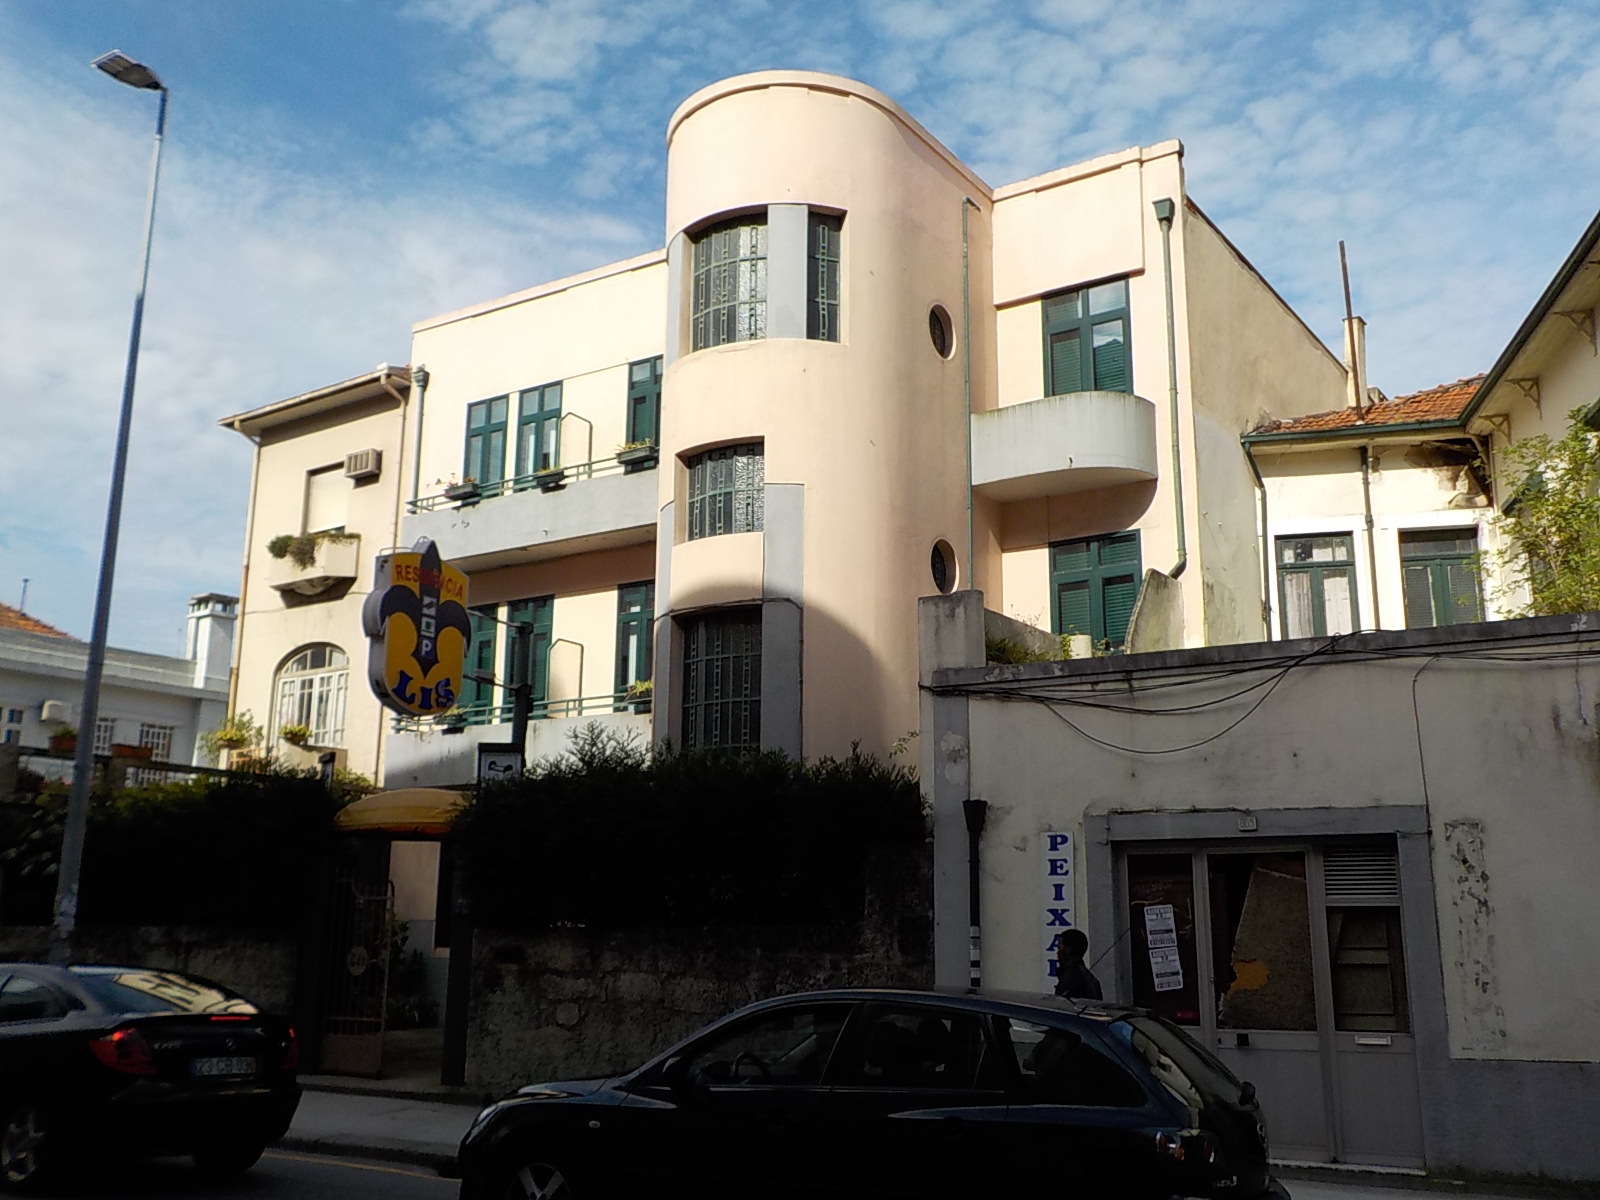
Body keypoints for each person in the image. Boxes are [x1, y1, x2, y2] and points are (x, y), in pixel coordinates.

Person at [1053, 927, 1103, 1000]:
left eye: (1059, 948)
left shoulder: (1072, 978)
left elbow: (1061, 1003)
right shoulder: (1088, 977)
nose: (1057, 953)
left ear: (1068, 950)